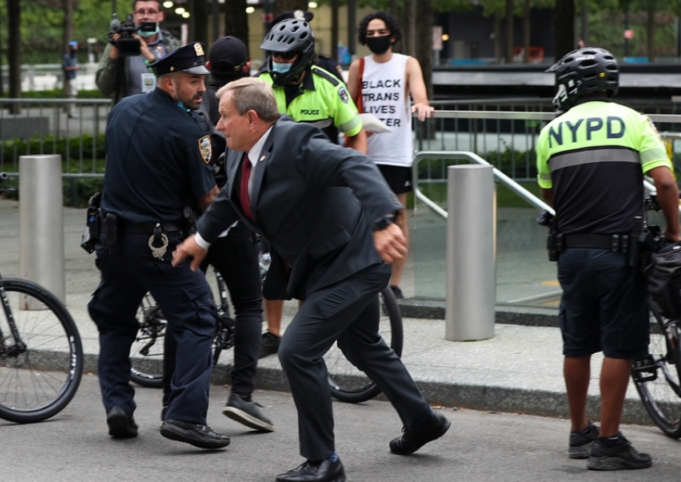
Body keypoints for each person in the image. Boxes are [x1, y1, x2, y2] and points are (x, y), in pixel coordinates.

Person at [173, 77, 449, 482]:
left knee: (298, 351)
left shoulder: (295, 142)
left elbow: (354, 163)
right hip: (322, 263)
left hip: (355, 260)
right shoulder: (239, 153)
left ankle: (324, 461)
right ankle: (422, 420)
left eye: (225, 116)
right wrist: (200, 239)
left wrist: (384, 220)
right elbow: (233, 198)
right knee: (362, 345)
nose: (217, 124)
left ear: (252, 118)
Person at [536, 47, 679, 471]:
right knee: (620, 345)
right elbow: (666, 183)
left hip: (571, 254)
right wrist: (674, 232)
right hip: (619, 255)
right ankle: (609, 443)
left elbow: (551, 195)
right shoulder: (633, 121)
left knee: (577, 342)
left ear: (575, 86)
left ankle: (579, 432)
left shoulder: (551, 131)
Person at [88, 42, 230, 450]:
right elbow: (207, 198)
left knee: (115, 322)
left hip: (113, 242)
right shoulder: (190, 129)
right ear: (169, 82)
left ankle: (118, 405)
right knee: (199, 318)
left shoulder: (124, 109)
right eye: (193, 80)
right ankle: (185, 417)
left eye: (204, 79)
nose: (202, 87)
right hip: (160, 244)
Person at [164, 35, 272, 432]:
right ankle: (242, 395)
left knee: (185, 315)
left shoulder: (192, 103)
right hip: (232, 220)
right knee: (248, 305)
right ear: (246, 67)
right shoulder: (248, 103)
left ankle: (171, 401)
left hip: (192, 223)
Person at [257, 16, 367, 359]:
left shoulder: (328, 86)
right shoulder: (258, 85)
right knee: (271, 264)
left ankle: (305, 332)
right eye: (273, 55)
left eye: (285, 56)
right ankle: (272, 332)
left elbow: (357, 132)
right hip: (272, 193)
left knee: (312, 264)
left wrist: (351, 176)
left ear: (304, 56)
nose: (277, 62)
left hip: (316, 194)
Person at [347, 11, 434, 300]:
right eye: (370, 33)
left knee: (397, 216)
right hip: (365, 153)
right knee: (360, 216)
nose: (375, 37)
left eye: (380, 31)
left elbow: (420, 96)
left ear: (393, 35)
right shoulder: (359, 66)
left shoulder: (407, 63)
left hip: (396, 154)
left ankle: (393, 284)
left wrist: (421, 105)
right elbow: (348, 106)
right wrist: (356, 126)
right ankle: (365, 277)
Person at [95, 0, 180, 102]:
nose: (145, 17)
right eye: (140, 12)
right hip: (130, 117)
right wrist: (114, 57)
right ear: (133, 16)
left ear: (160, 15)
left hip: (164, 116)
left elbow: (179, 85)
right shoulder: (119, 42)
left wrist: (150, 57)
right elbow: (105, 89)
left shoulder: (171, 45)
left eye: (151, 12)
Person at [61, 40, 80, 117]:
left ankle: (71, 111)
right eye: (74, 46)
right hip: (70, 78)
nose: (76, 48)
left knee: (72, 95)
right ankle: (71, 112)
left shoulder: (74, 56)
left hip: (73, 77)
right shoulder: (67, 57)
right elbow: (65, 67)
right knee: (72, 95)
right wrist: (75, 68)